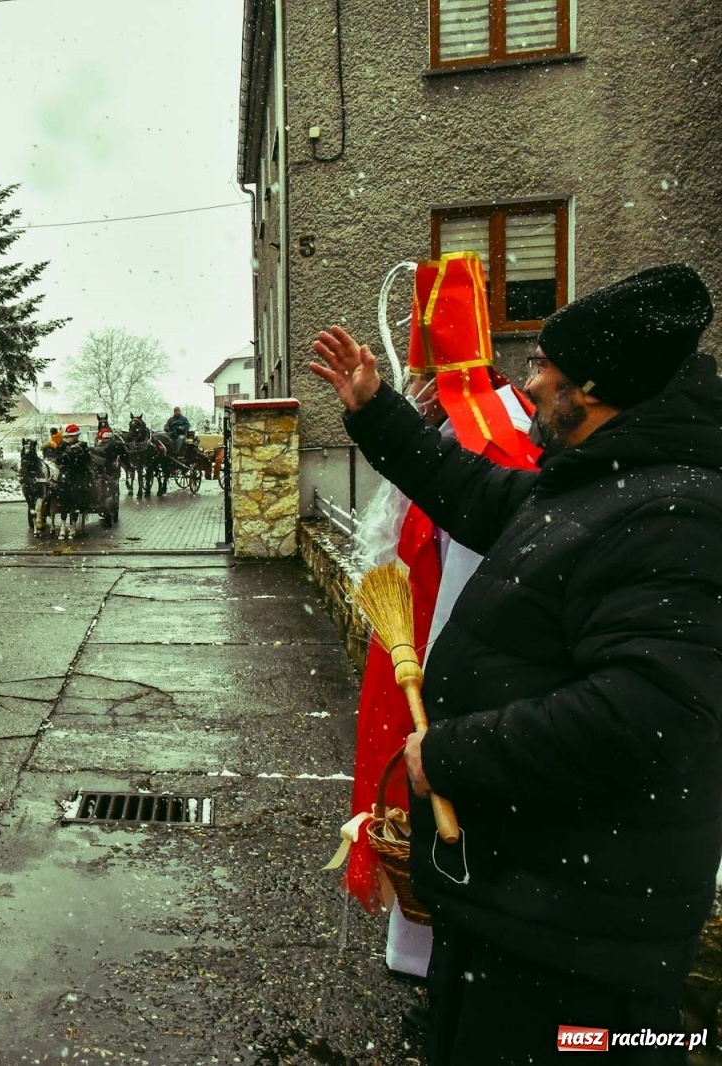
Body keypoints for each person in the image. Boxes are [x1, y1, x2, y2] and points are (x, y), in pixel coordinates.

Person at [310, 262, 722, 1066]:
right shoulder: (601, 482)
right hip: (529, 910)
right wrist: (375, 410)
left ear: (594, 391)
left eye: (546, 371)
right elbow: (466, 489)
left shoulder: (677, 517)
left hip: (582, 944)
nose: (529, 385)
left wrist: (447, 754)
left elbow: (645, 717)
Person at [330, 253, 538, 994]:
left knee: (438, 788)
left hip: (458, 650)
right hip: (420, 640)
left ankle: (445, 949)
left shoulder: (489, 435)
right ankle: (428, 940)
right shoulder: (453, 427)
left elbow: (463, 511)